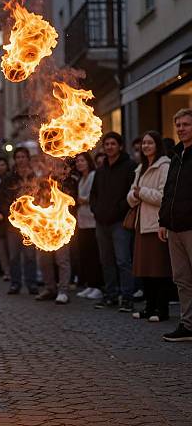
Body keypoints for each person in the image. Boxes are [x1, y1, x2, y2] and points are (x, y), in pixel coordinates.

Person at [126, 131, 171, 323]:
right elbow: (130, 197)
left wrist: (141, 192)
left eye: (149, 143)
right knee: (145, 270)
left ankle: (162, 309)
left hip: (155, 224)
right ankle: (149, 307)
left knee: (158, 270)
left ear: (157, 145)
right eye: (143, 143)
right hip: (141, 224)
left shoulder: (164, 166)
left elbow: (164, 196)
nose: (145, 146)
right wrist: (135, 195)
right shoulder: (141, 168)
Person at [90, 132, 137, 312]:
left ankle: (127, 298)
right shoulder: (100, 170)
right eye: (106, 144)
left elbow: (130, 194)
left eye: (113, 144)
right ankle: (110, 295)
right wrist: (96, 210)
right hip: (101, 222)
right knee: (106, 260)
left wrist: (118, 210)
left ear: (120, 146)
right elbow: (94, 195)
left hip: (119, 222)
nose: (109, 147)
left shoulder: (130, 167)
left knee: (123, 260)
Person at [159, 108, 192, 341]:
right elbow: (168, 191)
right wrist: (163, 221)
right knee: (181, 279)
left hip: (191, 226)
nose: (181, 128)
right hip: (173, 226)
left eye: (186, 124)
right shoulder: (176, 155)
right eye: (178, 125)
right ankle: (187, 324)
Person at [0, 147, 38, 295]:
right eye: (18, 157)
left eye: (23, 156)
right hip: (13, 223)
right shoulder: (9, 178)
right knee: (14, 255)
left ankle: (32, 283)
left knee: (30, 256)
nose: (20, 159)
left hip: (30, 223)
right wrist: (8, 213)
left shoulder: (34, 176)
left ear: (28, 158)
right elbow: (0, 198)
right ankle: (15, 284)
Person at [35, 160, 73, 304]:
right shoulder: (42, 183)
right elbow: (35, 200)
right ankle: (50, 288)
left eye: (58, 166)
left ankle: (63, 291)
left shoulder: (68, 182)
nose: (53, 169)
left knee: (62, 260)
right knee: (43, 260)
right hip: (43, 227)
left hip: (61, 225)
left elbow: (71, 202)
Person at [75, 152, 103, 300]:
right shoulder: (81, 179)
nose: (79, 163)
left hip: (92, 221)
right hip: (82, 222)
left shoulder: (93, 176)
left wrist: (82, 200)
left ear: (88, 162)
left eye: (82, 161)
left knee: (94, 255)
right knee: (85, 256)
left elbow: (94, 196)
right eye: (78, 161)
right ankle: (90, 285)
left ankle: (97, 286)